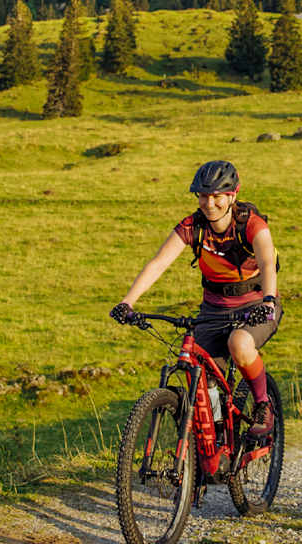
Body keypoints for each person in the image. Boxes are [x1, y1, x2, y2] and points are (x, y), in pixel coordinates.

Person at [111, 160, 281, 435]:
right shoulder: (193, 226)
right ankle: (215, 436)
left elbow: (266, 262)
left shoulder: (252, 225)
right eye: (203, 196)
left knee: (239, 344)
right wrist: (127, 302)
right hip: (213, 309)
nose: (209, 203)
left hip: (255, 305)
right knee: (203, 375)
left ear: (232, 195)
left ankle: (263, 404)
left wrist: (269, 301)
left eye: (217, 197)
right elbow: (158, 263)